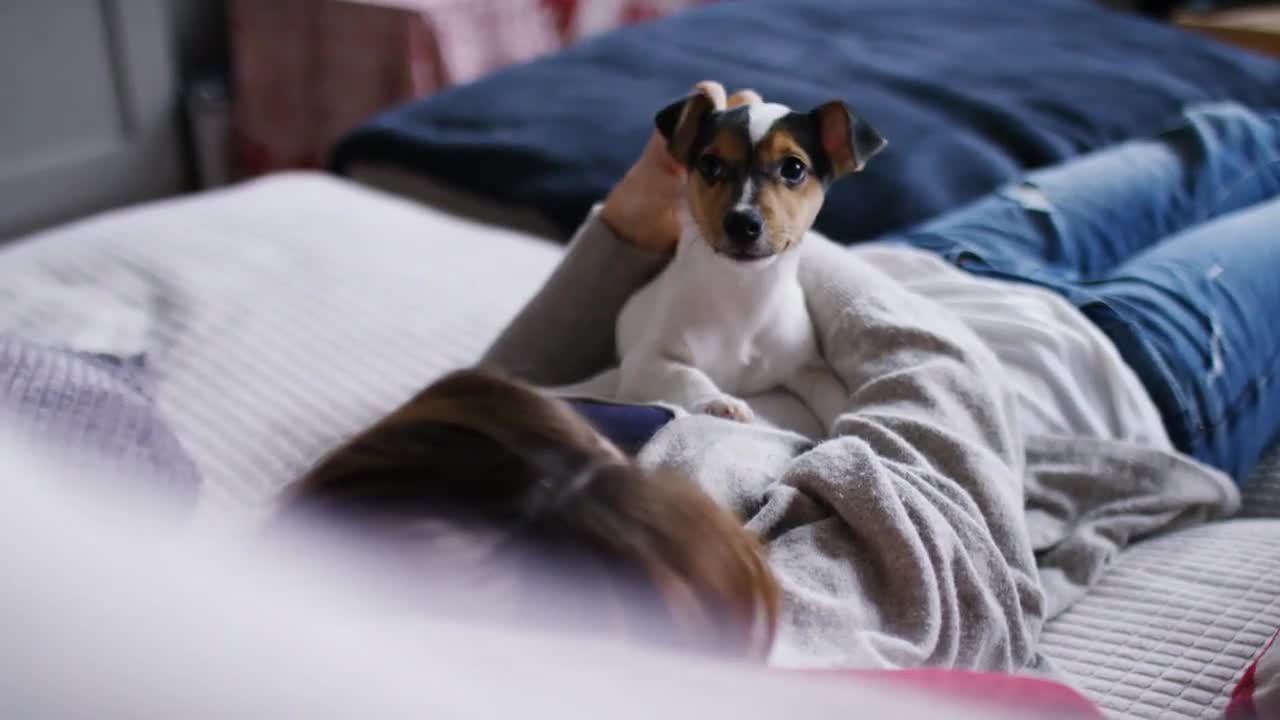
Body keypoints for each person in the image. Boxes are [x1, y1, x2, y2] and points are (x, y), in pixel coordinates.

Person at [281, 82, 1280, 671]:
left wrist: (639, 223)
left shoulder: (487, 476)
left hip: (931, 257)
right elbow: (942, 479)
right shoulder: (771, 617)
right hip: (1122, 361)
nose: (589, 432)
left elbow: (489, 391)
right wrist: (784, 257)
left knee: (1225, 135)